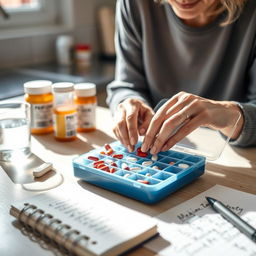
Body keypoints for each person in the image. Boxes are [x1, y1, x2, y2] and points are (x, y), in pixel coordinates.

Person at [107, 0, 256, 155]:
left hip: (236, 158)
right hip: (161, 156)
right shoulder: (134, 4)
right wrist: (127, 103)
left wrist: (231, 115)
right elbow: (127, 84)